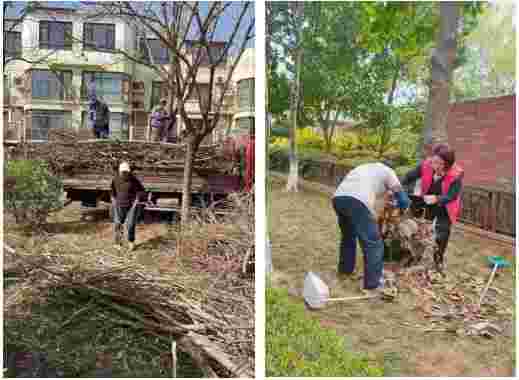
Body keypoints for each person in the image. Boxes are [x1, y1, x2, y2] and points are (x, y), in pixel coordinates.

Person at [332, 162, 410, 294]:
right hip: (357, 200)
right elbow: (402, 199)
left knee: (348, 237)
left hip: (338, 198)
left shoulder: (363, 168)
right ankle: (372, 285)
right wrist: (403, 210)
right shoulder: (388, 171)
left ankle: (345, 271)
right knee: (373, 243)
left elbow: (373, 201)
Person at [402, 144, 463, 273]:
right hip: (428, 202)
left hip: (445, 205)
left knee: (442, 233)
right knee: (420, 228)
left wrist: (437, 199)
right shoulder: (426, 164)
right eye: (433, 161)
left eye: (439, 163)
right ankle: (415, 256)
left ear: (447, 164)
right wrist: (402, 188)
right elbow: (408, 177)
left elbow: (452, 195)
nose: (434, 165)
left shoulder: (456, 174)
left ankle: (438, 260)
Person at [111, 162, 146, 251]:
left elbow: (141, 191)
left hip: (131, 206)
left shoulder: (134, 180)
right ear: (119, 172)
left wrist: (137, 200)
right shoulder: (115, 180)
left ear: (129, 172)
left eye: (126, 172)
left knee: (130, 225)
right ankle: (118, 243)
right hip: (119, 205)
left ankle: (131, 242)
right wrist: (113, 200)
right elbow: (112, 191)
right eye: (123, 172)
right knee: (117, 224)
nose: (124, 174)